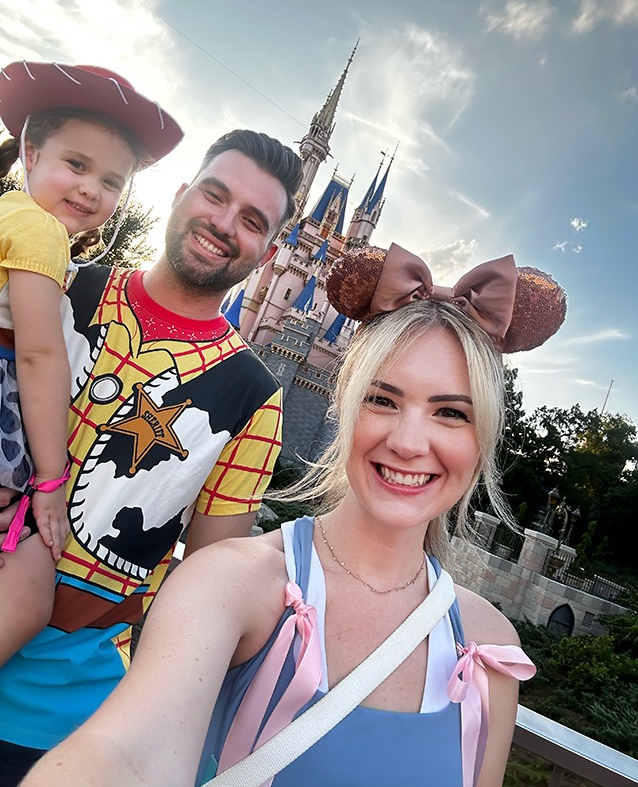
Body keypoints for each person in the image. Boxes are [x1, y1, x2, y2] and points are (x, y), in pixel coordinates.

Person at [20, 244, 567, 787]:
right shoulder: (231, 583)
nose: (407, 442)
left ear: (483, 438)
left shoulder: (491, 649)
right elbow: (128, 755)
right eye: (382, 400)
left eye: (450, 412)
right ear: (345, 409)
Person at [0, 125, 302, 785]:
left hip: (67, 725)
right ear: (180, 191)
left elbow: (209, 586)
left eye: (252, 220)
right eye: (214, 195)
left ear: (271, 252)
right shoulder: (57, 285)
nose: (223, 224)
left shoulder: (253, 398)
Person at [0, 61, 183, 668]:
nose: (90, 190)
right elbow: (38, 350)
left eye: (111, 181)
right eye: (75, 165)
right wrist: (51, 481)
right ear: (30, 150)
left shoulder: (14, 216)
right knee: (28, 591)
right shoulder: (40, 233)